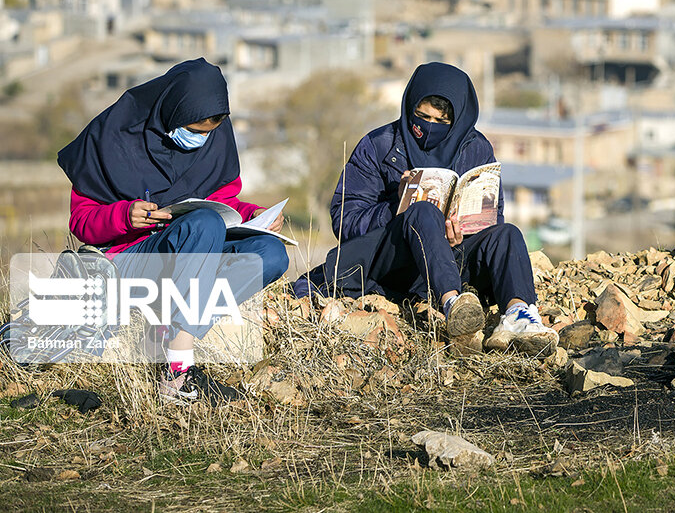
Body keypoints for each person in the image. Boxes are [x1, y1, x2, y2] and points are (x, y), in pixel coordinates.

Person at [57, 58, 289, 404]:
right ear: (172, 110)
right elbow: (82, 224)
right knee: (204, 224)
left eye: (207, 133)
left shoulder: (214, 136)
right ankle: (178, 371)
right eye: (194, 130)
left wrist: (255, 215)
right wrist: (125, 215)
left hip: (192, 255)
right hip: (130, 262)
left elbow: (222, 201)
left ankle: (175, 331)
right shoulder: (110, 135)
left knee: (271, 254)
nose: (199, 140)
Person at [292, 63, 557, 353]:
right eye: (421, 117)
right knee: (422, 212)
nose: (428, 127)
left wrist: (460, 236)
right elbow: (344, 220)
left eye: (440, 121)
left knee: (507, 234)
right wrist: (397, 203)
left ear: (458, 121)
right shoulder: (378, 145)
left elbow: (493, 217)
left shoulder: (476, 149)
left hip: (451, 257)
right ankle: (454, 305)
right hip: (391, 261)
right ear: (409, 108)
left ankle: (519, 316)